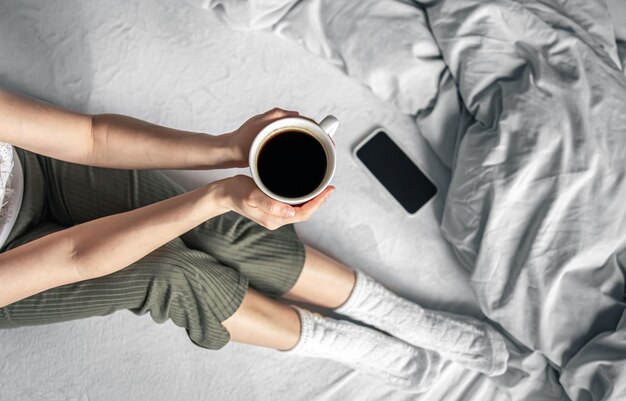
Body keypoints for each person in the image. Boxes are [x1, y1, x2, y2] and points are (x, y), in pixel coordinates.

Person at [0, 88, 509, 391]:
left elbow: (90, 137)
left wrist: (229, 148)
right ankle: (338, 339)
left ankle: (398, 315)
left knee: (215, 227)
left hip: (31, 168)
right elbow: (72, 256)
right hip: (17, 272)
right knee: (173, 274)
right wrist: (217, 195)